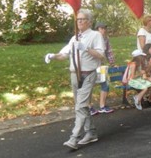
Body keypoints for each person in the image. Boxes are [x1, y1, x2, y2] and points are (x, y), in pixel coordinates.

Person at [44, 9, 105, 150]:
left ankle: (74, 138)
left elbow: (101, 55)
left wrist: (86, 48)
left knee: (80, 106)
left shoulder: (95, 35)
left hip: (88, 74)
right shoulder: (74, 38)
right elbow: (64, 55)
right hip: (74, 75)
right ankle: (91, 133)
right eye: (78, 19)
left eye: (82, 19)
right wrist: (52, 56)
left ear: (89, 21)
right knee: (82, 106)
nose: (79, 22)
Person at [89, 22, 115, 115]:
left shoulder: (106, 39)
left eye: (105, 28)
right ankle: (89, 107)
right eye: (101, 28)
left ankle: (102, 106)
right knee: (89, 85)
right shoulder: (92, 38)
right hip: (90, 65)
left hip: (101, 65)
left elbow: (109, 51)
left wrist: (112, 63)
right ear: (97, 29)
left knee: (105, 84)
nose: (104, 30)